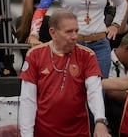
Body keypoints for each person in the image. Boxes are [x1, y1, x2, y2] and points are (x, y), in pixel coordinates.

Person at [19, 9, 111, 137]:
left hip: (78, 132)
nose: (74, 36)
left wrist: (100, 120)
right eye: (69, 32)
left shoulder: (87, 55)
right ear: (53, 32)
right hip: (44, 133)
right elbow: (28, 100)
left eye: (76, 31)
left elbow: (94, 90)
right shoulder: (35, 55)